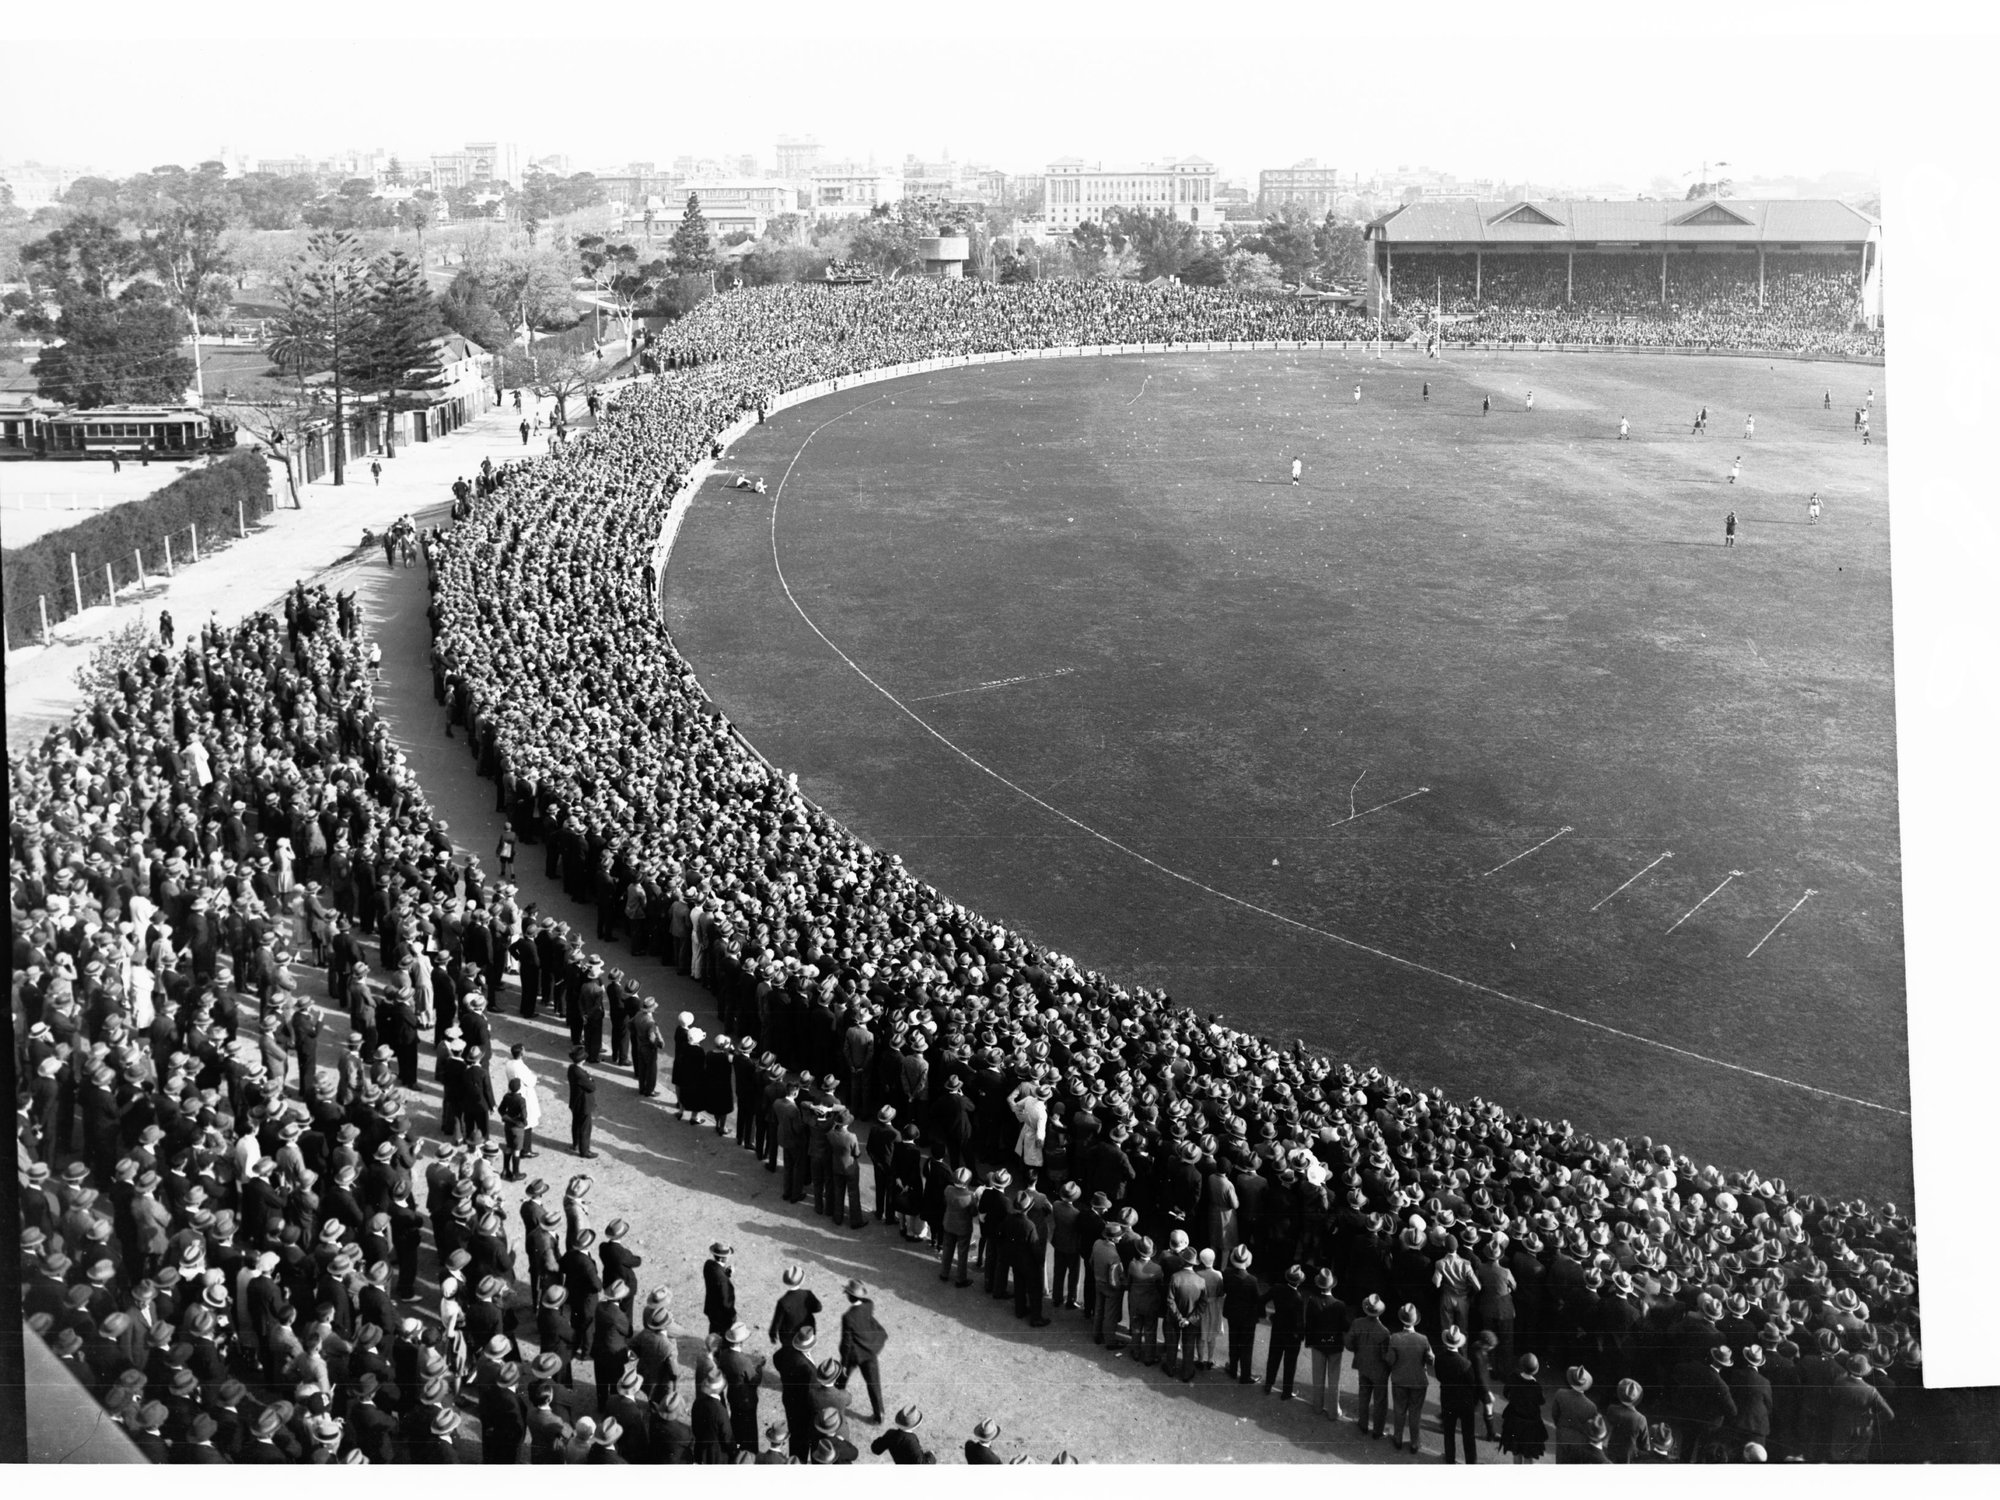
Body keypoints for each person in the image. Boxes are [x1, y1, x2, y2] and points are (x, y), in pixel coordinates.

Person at [1385, 1302, 1434, 1454]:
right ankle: (1414, 1443)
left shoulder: (1395, 1338)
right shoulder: (1423, 1339)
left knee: (1399, 1410)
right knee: (1415, 1413)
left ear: (1402, 1320)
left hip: (1399, 1380)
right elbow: (1430, 1360)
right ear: (1415, 1320)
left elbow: (1390, 1361)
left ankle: (1398, 1438)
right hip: (1418, 1381)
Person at [837, 1279, 888, 1423]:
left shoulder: (848, 1317)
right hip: (870, 1352)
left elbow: (846, 1343)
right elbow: (865, 1301)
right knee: (873, 1384)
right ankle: (879, 1414)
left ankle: (834, 1401)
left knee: (842, 1377)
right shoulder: (868, 1305)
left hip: (854, 1354)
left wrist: (844, 1363)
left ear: (849, 1296)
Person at [1437, 1323, 1487, 1464]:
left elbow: (1440, 1376)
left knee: (1449, 1433)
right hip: (1465, 1403)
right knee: (1468, 1435)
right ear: (1458, 1344)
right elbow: (1472, 1384)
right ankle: (1471, 1462)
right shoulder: (1466, 1364)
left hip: (1447, 1399)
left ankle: (1450, 1459)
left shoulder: (1439, 1358)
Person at [1347, 1292, 1392, 1439]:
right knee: (1380, 1401)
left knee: (1363, 1396)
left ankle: (1363, 1424)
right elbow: (1386, 1356)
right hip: (1379, 1371)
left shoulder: (1357, 1323)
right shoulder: (1384, 1332)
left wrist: (1358, 1351)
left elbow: (1349, 1344)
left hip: (1362, 1365)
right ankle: (1377, 1431)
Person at [1499, 1353, 1547, 1463]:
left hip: (1514, 1422)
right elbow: (1541, 1401)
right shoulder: (1536, 1386)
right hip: (1529, 1426)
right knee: (1528, 1455)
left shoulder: (1513, 1378)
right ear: (1536, 1369)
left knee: (1516, 1452)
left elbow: (1506, 1393)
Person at [566, 1047, 597, 1158]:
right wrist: (590, 1078)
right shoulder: (581, 1074)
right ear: (583, 1060)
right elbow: (592, 1087)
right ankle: (584, 1151)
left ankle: (576, 1144)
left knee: (576, 1124)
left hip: (575, 1102)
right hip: (584, 1104)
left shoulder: (571, 1069)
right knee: (585, 1128)